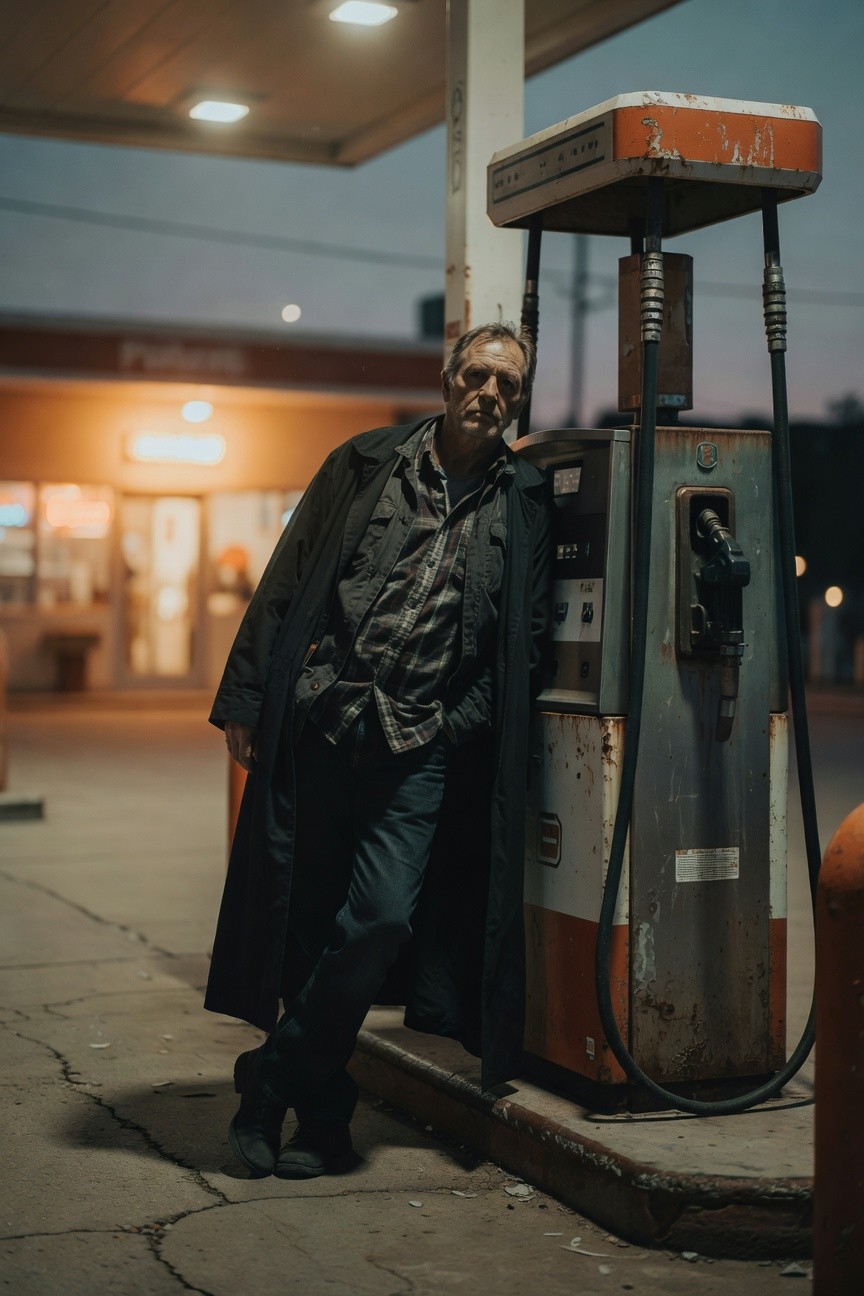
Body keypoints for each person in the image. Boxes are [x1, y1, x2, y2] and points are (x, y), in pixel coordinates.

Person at [206, 322, 552, 1179]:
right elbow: (287, 577)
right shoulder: (364, 462)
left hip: (419, 747)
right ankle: (324, 1125)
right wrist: (247, 696)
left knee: (381, 921)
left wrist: (451, 726)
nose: (490, 395)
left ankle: (267, 1085)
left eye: (508, 386)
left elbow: (526, 642)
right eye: (478, 376)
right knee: (306, 923)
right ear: (446, 379)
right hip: (327, 720)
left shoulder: (524, 500)